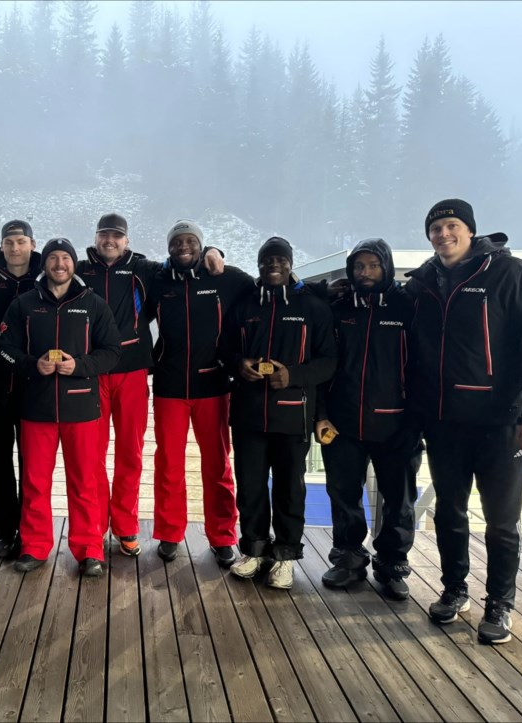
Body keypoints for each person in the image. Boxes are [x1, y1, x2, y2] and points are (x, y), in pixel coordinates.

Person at [405, 199, 522, 644]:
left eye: (451, 225)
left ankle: (499, 603)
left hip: (501, 421)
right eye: (435, 228)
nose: (442, 234)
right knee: (450, 512)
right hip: (443, 421)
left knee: (501, 520)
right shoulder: (423, 282)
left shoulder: (509, 273)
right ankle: (454, 590)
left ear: (470, 230)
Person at [77, 213, 224, 557]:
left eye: (117, 235)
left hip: (132, 373)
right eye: (104, 235)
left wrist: (213, 250)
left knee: (130, 454)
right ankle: (95, 526)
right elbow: (46, 270)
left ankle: (126, 526)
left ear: (127, 240)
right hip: (91, 373)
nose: (110, 240)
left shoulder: (146, 270)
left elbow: (185, 263)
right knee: (92, 456)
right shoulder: (81, 271)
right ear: (96, 237)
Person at [0, 238, 121, 577]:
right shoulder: (24, 305)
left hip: (81, 408)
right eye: (53, 258)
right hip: (36, 407)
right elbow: (4, 348)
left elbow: (112, 351)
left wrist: (80, 366)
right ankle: (35, 546)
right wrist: (29, 364)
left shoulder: (93, 304)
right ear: (45, 264)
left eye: (65, 258)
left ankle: (89, 549)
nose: (59, 264)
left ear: (74, 264)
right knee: (35, 482)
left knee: (84, 481)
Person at [225, 236, 336, 589]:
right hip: (248, 413)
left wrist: (293, 376)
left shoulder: (313, 307)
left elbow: (329, 361)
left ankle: (285, 556)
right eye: (266, 260)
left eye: (280, 259)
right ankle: (254, 549)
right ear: (258, 265)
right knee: (251, 486)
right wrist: (239, 364)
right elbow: (225, 349)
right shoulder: (244, 305)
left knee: (290, 488)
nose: (273, 265)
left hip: (293, 414)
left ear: (290, 264)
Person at [315, 239, 421, 599]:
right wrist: (323, 414)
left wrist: (415, 421)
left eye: (373, 266)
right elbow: (324, 362)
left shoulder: (409, 306)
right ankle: (348, 557)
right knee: (343, 493)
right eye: (359, 267)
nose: (365, 273)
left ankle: (392, 565)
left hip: (397, 423)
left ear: (386, 267)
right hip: (344, 422)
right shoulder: (339, 307)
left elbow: (424, 365)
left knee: (399, 499)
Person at [147, 220, 255, 565]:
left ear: (201, 244)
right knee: (168, 464)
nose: (183, 246)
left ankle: (222, 536)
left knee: (217, 465)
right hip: (169, 385)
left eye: (191, 241)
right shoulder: (157, 280)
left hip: (213, 384)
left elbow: (266, 291)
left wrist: (216, 252)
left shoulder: (224, 277)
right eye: (177, 241)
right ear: (169, 247)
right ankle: (169, 532)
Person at [0, 220, 42, 560]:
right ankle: (2, 529)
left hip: (34, 384)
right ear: (1, 246)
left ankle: (30, 530)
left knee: (32, 462)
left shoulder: (46, 275)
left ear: (31, 243)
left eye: (20, 241)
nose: (14, 248)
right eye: (8, 242)